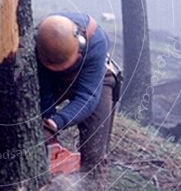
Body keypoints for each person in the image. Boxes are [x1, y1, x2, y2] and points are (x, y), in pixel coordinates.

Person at [35, 12, 121, 177]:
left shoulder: (96, 42)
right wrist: (46, 119)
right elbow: (43, 88)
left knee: (94, 154)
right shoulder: (44, 38)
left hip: (96, 81)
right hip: (53, 78)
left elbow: (87, 97)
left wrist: (55, 123)